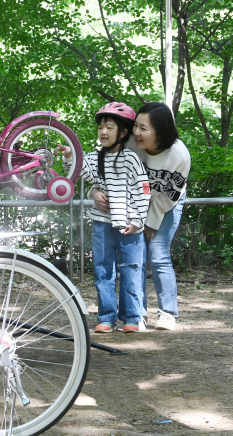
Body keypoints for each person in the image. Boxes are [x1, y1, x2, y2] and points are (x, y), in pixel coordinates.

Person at [92, 103, 190, 331]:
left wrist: (151, 221)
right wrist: (94, 193)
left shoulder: (179, 155)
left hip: (165, 202)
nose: (136, 132)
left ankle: (167, 313)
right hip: (132, 201)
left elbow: (170, 195)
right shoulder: (128, 145)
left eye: (143, 128)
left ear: (161, 131)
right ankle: (136, 315)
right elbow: (104, 176)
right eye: (135, 125)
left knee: (157, 254)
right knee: (136, 254)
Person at [58, 102, 150, 333]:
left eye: (109, 127)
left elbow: (143, 190)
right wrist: (70, 155)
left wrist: (137, 221)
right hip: (102, 223)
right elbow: (80, 170)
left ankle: (132, 317)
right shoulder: (95, 157)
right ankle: (107, 316)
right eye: (100, 127)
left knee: (130, 270)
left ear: (123, 132)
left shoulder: (131, 158)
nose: (103, 132)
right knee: (103, 270)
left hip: (130, 226)